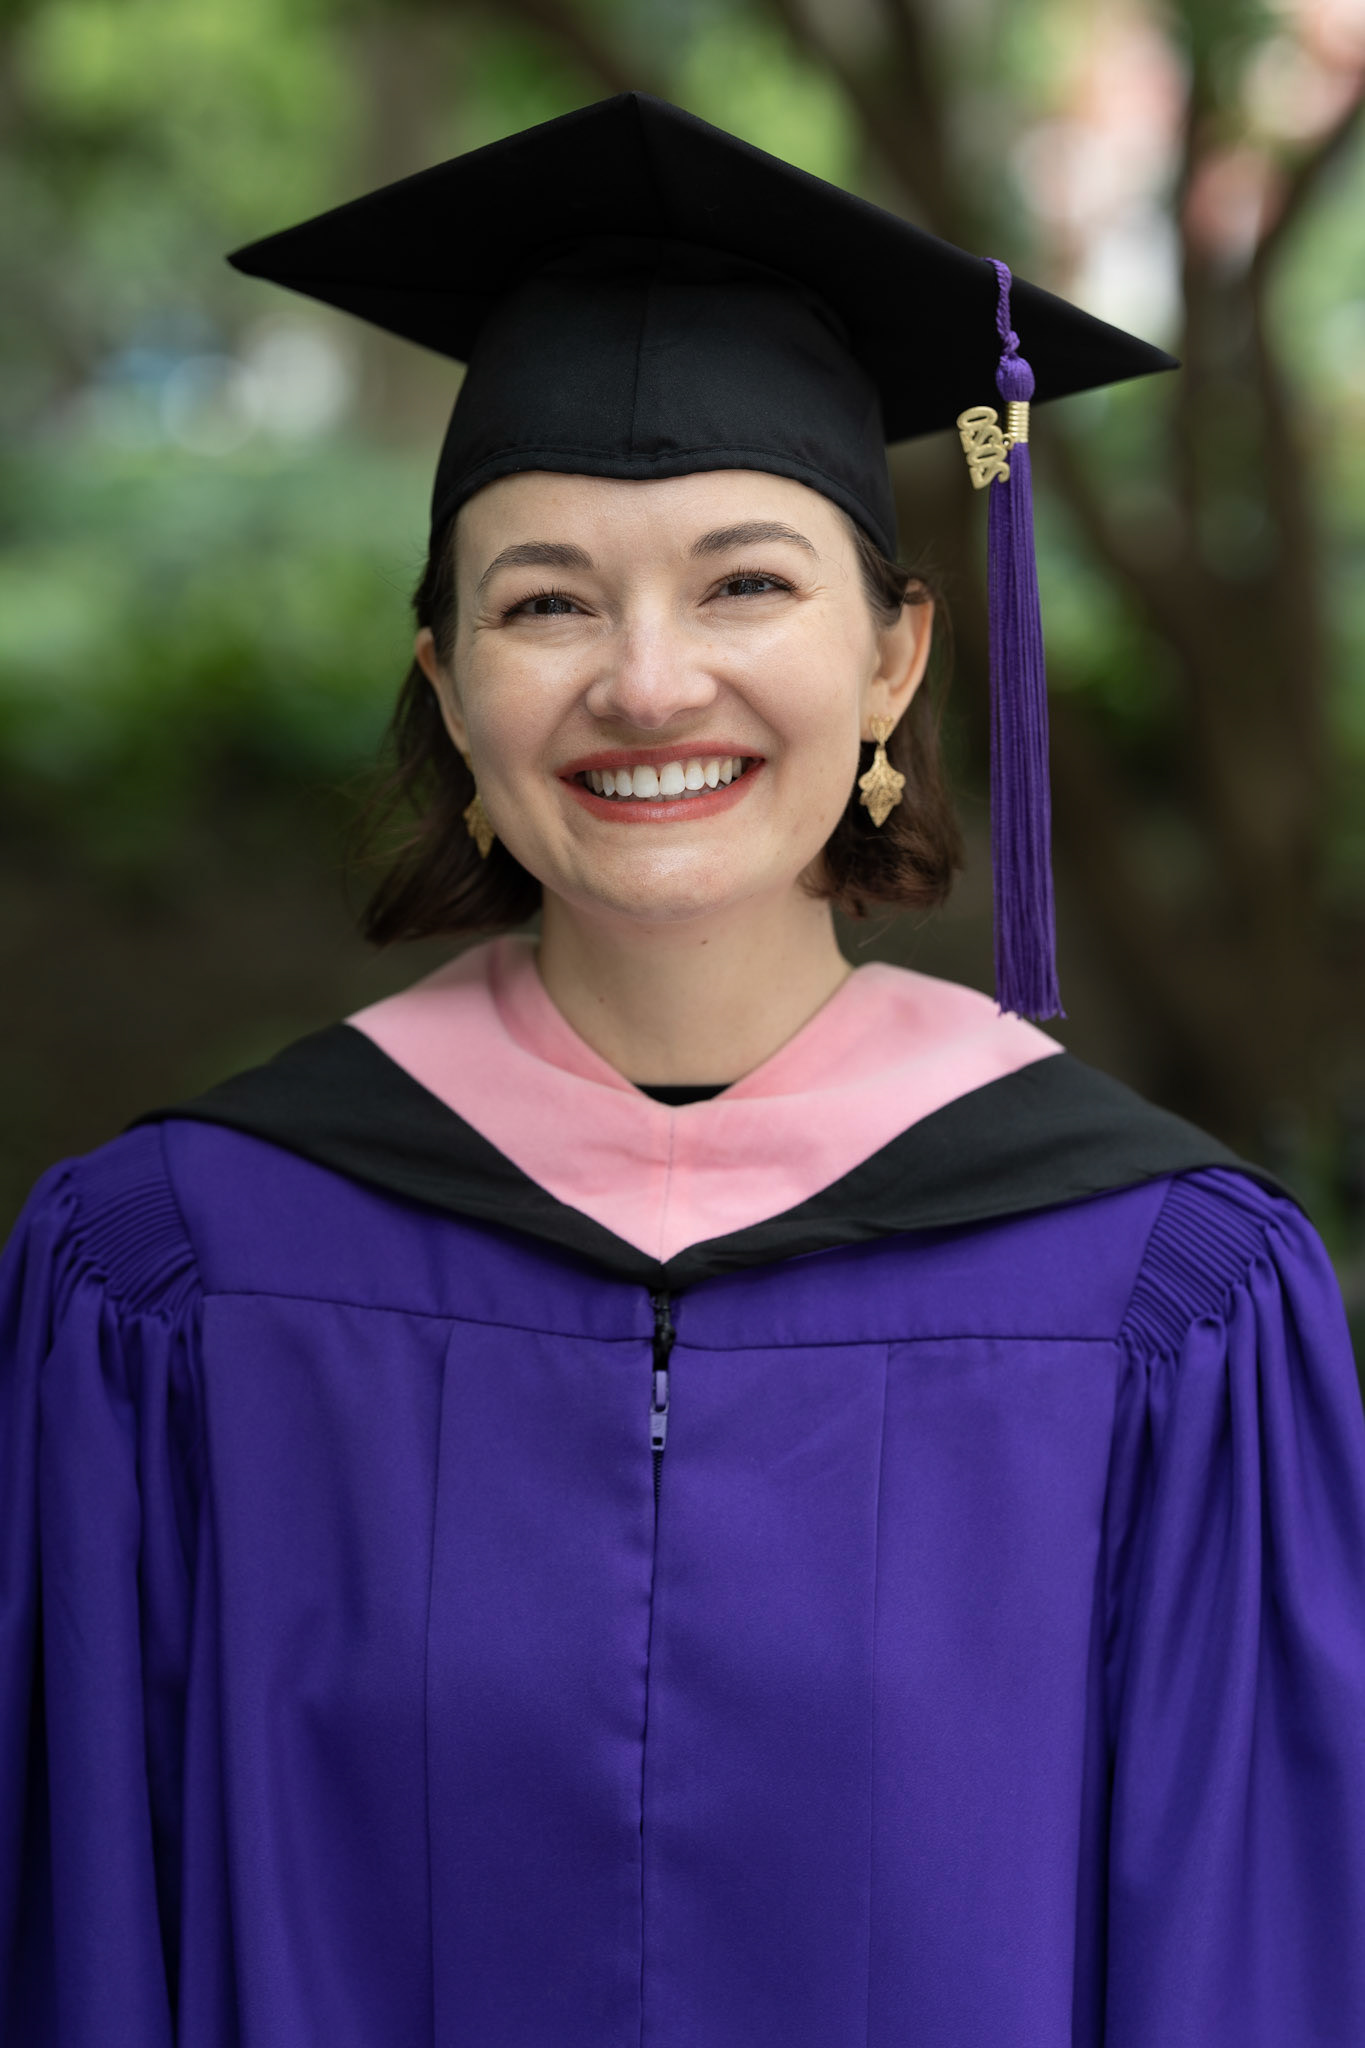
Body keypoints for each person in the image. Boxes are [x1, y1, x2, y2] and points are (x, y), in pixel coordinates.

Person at [2, 93, 1363, 2048]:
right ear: (447, 683)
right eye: (544, 599)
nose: (646, 681)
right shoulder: (171, 1277)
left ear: (892, 657)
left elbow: (1248, 1975)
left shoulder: (1163, 1301)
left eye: (744, 583)